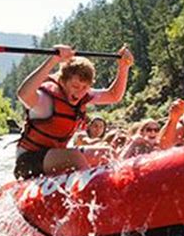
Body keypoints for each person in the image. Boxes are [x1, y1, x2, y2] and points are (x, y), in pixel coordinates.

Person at [14, 44, 134, 178]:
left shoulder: (84, 95)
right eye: (75, 86)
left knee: (105, 152)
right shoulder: (46, 100)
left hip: (57, 156)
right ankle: (89, 189)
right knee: (76, 158)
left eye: (85, 87)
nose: (80, 92)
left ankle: (115, 184)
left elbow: (114, 95)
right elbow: (23, 94)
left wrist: (124, 67)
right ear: (63, 82)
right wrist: (53, 60)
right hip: (27, 162)